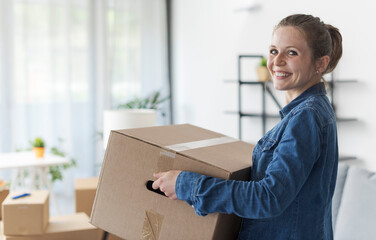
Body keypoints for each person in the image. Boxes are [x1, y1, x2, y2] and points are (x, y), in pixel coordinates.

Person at [152, 14, 342, 239]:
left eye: (292, 52)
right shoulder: (310, 111)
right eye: (273, 51)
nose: (277, 61)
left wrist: (186, 184)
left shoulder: (306, 117)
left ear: (320, 63)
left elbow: (269, 198)